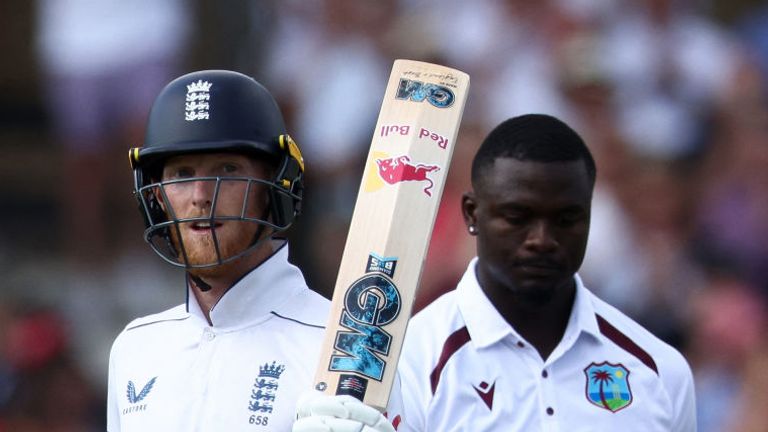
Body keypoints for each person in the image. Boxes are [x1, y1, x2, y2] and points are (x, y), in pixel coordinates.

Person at [295, 114, 696, 430]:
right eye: (518, 216)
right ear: (472, 213)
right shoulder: (408, 365)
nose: (541, 239)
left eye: (566, 219)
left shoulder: (659, 369)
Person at [107, 69, 335, 431]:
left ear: (274, 187)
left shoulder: (336, 348)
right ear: (156, 196)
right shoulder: (135, 348)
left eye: (227, 170)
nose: (200, 197)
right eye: (182, 174)